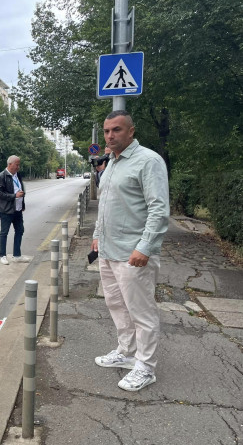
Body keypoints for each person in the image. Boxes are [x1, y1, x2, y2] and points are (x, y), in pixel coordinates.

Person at [91, 110, 169, 392]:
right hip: (109, 252)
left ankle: (146, 367)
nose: (110, 135)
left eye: (117, 130)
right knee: (116, 305)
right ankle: (126, 352)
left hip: (133, 254)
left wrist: (145, 247)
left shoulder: (148, 161)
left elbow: (159, 209)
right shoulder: (111, 163)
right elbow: (107, 204)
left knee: (142, 312)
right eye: (107, 131)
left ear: (131, 131)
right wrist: (97, 236)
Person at [0, 155, 31, 265]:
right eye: (17, 164)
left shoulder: (17, 175)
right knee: (4, 232)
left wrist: (22, 203)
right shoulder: (2, 176)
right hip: (6, 210)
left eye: (19, 164)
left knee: (20, 230)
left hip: (17, 209)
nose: (18, 167)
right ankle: (3, 256)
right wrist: (14, 196)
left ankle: (17, 255)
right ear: (10, 164)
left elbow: (20, 189)